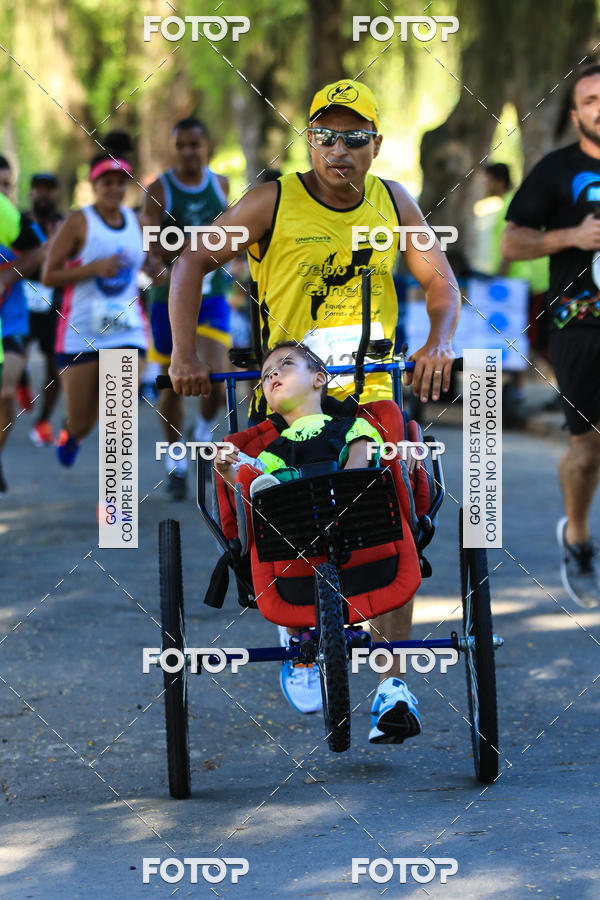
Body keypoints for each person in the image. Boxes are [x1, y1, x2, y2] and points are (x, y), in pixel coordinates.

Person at [168, 79, 459, 743]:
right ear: (309, 141)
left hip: (375, 393)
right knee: (282, 498)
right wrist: (185, 352)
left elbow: (438, 279)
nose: (339, 149)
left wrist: (439, 342)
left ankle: (392, 687)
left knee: (396, 510)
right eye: (326, 135)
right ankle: (298, 633)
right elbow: (191, 261)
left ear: (376, 146)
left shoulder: (395, 202)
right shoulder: (274, 199)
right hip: (294, 396)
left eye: (355, 137)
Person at [215, 341, 389, 715]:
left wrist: (348, 488)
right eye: (265, 376)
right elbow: (248, 484)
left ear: (319, 379)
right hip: (292, 531)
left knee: (358, 459)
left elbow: (360, 459)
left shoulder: (350, 425)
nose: (273, 374)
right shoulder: (272, 450)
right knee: (257, 479)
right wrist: (231, 472)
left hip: (352, 515)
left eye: (285, 365)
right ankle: (268, 493)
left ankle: (287, 494)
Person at [501, 64, 600, 608]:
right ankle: (579, 537)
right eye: (590, 99)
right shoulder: (556, 170)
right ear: (576, 113)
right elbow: (512, 245)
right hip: (579, 325)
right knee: (586, 451)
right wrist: (574, 236)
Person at [42, 135, 149, 467]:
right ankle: (70, 432)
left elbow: (144, 266)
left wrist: (157, 269)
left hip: (127, 331)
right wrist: (93, 268)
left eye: (121, 182)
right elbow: (49, 276)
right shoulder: (78, 222)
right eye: (107, 182)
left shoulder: (137, 221)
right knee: (84, 421)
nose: (115, 189)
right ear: (94, 184)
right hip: (81, 332)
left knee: (117, 419)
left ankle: (115, 500)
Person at [143, 116, 231, 501]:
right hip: (170, 300)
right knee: (173, 385)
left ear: (206, 146)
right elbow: (146, 238)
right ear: (173, 147)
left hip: (213, 295)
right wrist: (158, 265)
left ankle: (202, 433)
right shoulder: (160, 189)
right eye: (182, 146)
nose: (189, 153)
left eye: (195, 145)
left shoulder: (221, 184)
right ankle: (176, 461)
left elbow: (235, 230)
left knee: (218, 376)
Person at [482, 163, 550, 428]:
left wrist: (498, 279)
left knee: (530, 338)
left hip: (524, 283)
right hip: (523, 282)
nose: (484, 185)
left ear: (498, 180)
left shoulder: (512, 205)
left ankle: (568, 387)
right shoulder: (510, 203)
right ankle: (518, 391)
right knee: (525, 338)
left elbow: (509, 248)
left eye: (486, 179)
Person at [0, 156, 48, 496]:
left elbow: (41, 252)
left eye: (6, 185)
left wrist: (8, 275)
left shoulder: (10, 216)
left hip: (11, 319)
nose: (3, 191)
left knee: (4, 392)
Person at [15, 173, 64, 445]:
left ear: (56, 193)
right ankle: (21, 382)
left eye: (49, 189)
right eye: (38, 189)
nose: (43, 194)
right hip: (21, 302)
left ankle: (44, 419)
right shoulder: (19, 221)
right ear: (31, 193)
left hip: (53, 306)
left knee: (54, 369)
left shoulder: (64, 224)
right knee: (15, 354)